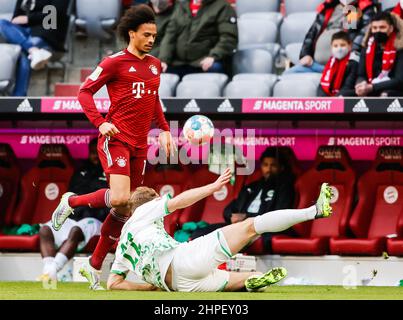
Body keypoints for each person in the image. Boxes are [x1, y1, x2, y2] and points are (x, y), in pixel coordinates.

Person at [51, 5, 175, 290]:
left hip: (141, 145)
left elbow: (153, 99)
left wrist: (165, 130)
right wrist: (99, 123)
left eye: (154, 35)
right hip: (116, 138)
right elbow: (84, 92)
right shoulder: (113, 62)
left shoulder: (155, 65)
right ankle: (71, 202)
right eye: (146, 34)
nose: (151, 39)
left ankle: (94, 267)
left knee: (126, 208)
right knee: (120, 197)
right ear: (132, 33)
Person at [106, 168, 333, 292]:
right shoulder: (145, 211)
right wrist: (213, 187)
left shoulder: (124, 239)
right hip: (184, 260)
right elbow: (179, 202)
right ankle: (314, 211)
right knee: (251, 226)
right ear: (153, 201)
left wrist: (148, 287)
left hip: (179, 286)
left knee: (241, 278)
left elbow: (113, 283)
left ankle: (252, 281)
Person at [191, 147, 296, 253]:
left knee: (234, 238)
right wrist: (231, 216)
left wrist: (247, 217)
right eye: (265, 165)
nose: (268, 169)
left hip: (258, 228)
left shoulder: (284, 188)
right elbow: (230, 208)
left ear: (281, 167)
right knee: (201, 233)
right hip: (239, 226)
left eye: (273, 165)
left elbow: (278, 214)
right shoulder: (252, 187)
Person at [38, 139, 109, 282]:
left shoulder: (110, 171)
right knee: (45, 229)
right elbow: (70, 196)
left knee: (76, 230)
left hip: (97, 220)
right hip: (75, 217)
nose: (95, 155)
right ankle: (49, 271)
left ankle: (53, 270)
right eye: (92, 152)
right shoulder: (80, 170)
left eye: (98, 152)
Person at [284, 0, 377, 75]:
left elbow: (360, 35)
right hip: (314, 65)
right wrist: (306, 54)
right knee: (287, 75)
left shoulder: (360, 8)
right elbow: (312, 33)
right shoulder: (328, 7)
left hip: (340, 67)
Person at [0, 0, 70, 96]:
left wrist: (28, 19)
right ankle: (33, 50)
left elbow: (56, 13)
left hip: (47, 33)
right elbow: (15, 19)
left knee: (23, 53)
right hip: (24, 33)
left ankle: (18, 97)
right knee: (2, 23)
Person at [158, 0, 238, 78]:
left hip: (204, 62)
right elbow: (169, 37)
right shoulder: (181, 6)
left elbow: (228, 37)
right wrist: (164, 60)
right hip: (179, 63)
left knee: (215, 67)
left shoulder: (222, 6)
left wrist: (213, 56)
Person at [355, 11, 403, 97]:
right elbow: (361, 74)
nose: (378, 31)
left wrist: (372, 87)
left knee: (385, 95)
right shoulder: (366, 49)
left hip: (395, 90)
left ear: (391, 28)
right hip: (371, 87)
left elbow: (399, 80)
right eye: (375, 28)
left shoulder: (400, 48)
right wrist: (361, 84)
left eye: (382, 27)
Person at [318, 31, 359, 96]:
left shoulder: (353, 62)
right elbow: (322, 84)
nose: (339, 49)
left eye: (342, 45)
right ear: (331, 47)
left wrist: (334, 100)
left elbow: (348, 86)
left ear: (350, 45)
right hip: (332, 97)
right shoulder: (331, 61)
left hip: (345, 96)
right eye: (335, 46)